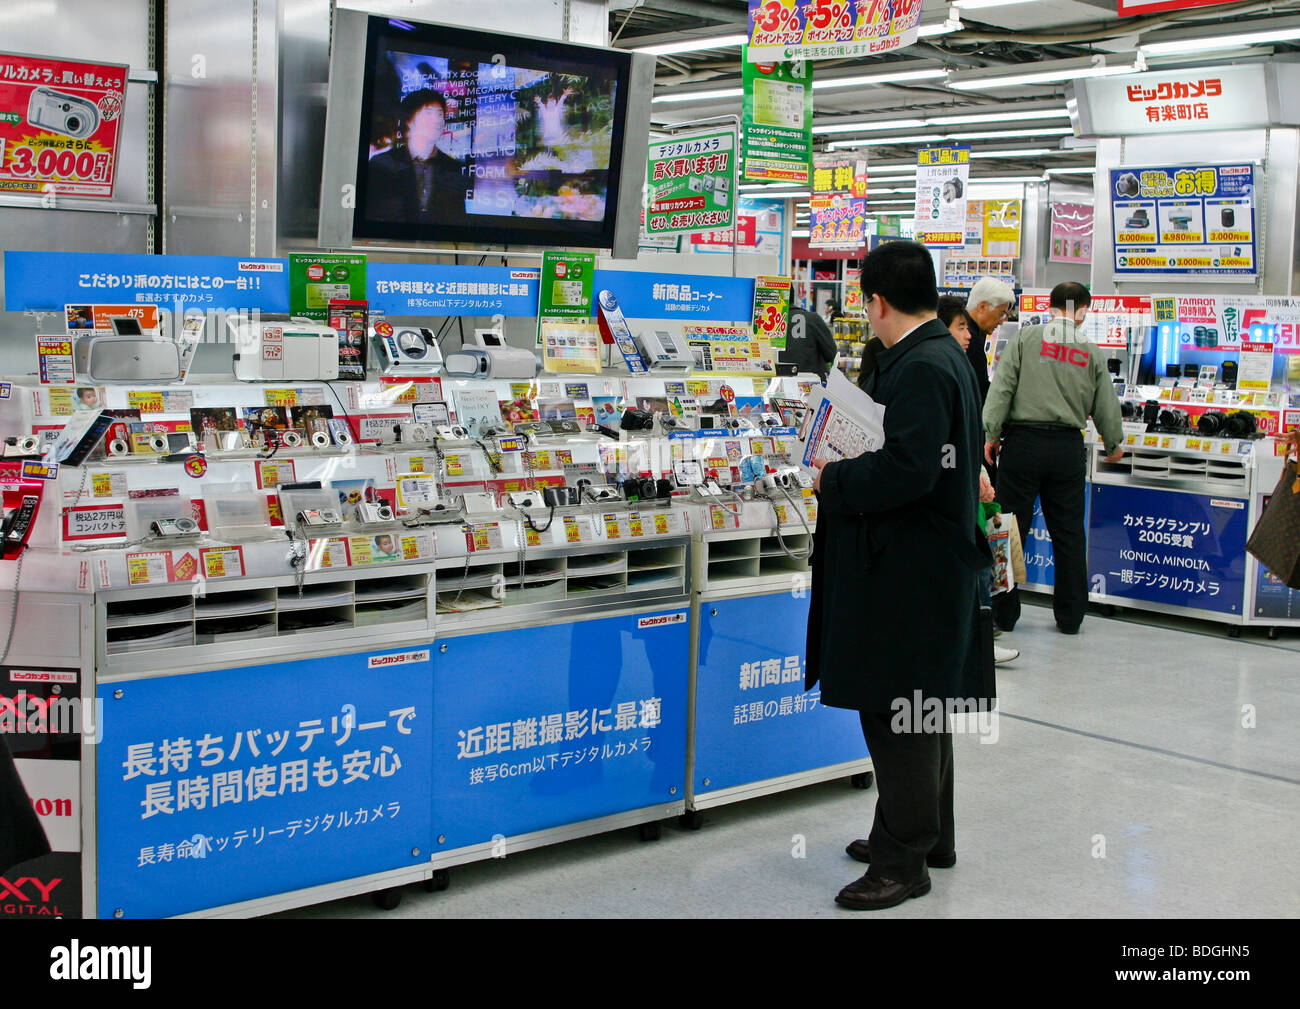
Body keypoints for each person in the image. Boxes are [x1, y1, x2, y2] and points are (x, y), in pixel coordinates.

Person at [806, 240, 992, 911]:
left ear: (876, 301)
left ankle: (902, 862)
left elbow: (910, 469)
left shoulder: (919, 366)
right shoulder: (945, 353)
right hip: (930, 566)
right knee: (924, 709)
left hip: (908, 573)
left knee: (899, 714)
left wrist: (836, 475)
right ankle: (924, 836)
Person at [983, 282, 1125, 635]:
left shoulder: (1025, 340)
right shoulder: (1091, 351)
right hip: (1066, 449)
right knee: (1068, 533)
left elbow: (1002, 388)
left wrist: (991, 434)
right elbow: (1106, 404)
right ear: (1081, 310)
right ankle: (1071, 615)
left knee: (1009, 528)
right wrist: (1114, 444)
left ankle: (1003, 613)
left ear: (1051, 306)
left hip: (1022, 445)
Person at [940, 297, 1019, 664]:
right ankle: (977, 640)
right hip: (954, 486)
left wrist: (979, 471)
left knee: (979, 555)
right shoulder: (941, 367)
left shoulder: (958, 361)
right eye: (960, 327)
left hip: (968, 476)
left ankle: (981, 635)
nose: (967, 334)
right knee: (971, 558)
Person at [365, 89, 469, 224]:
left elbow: (456, 220)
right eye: (428, 113)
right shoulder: (383, 164)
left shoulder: (452, 167)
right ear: (409, 120)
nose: (436, 120)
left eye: (440, 114)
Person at [964, 277, 1015, 408]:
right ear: (982, 307)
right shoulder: (969, 340)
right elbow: (979, 391)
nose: (1003, 321)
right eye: (1002, 313)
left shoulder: (973, 333)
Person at [781, 305, 838, 380]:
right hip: (811, 382)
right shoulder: (813, 319)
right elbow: (831, 353)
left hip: (774, 383)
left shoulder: (767, 321)